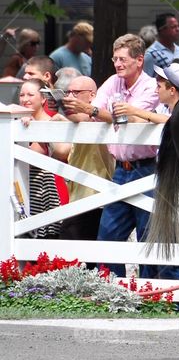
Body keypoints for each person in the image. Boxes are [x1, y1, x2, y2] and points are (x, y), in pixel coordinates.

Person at [63, 34, 165, 278]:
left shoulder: (150, 86)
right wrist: (68, 109)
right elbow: (96, 114)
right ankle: (113, 290)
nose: (117, 64)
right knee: (108, 233)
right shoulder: (112, 82)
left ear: (139, 60)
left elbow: (130, 118)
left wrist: (94, 110)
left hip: (146, 168)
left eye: (122, 59)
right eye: (114, 58)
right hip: (120, 169)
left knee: (146, 234)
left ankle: (149, 295)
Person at [58, 76, 115, 241]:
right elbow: (61, 151)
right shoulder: (74, 120)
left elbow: (85, 118)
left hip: (94, 197)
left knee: (72, 252)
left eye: (76, 93)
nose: (70, 97)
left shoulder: (98, 116)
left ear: (92, 95)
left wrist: (61, 113)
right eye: (68, 92)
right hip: (76, 197)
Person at [17, 79, 70, 239]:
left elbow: (63, 152)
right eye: (21, 95)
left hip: (48, 192)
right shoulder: (16, 123)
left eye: (30, 95)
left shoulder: (52, 120)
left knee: (47, 243)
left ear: (43, 99)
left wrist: (36, 131)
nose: (25, 99)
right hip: (23, 191)